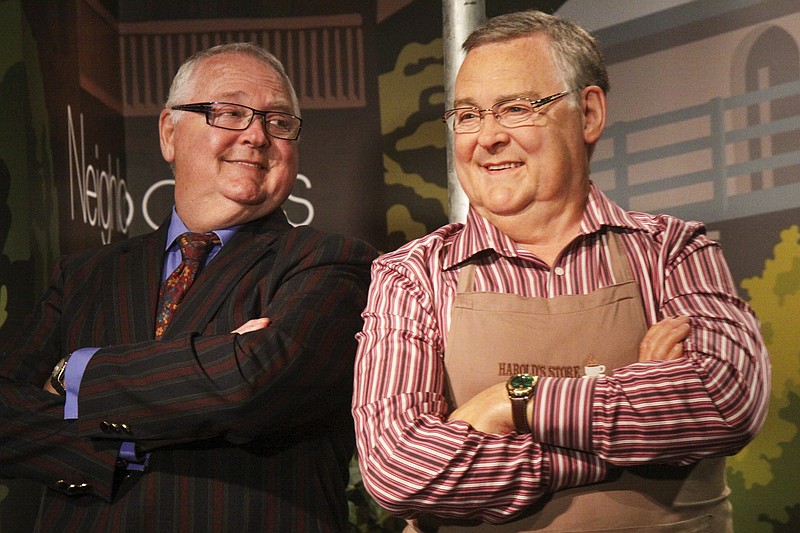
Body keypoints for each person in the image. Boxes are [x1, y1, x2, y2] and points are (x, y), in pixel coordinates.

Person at [352, 10, 770, 532]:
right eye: (468, 114)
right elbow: (399, 470)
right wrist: (628, 442)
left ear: (589, 113)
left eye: (516, 108)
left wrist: (513, 403)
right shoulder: (412, 276)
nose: (487, 137)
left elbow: (725, 398)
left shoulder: (671, 251)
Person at [0, 42, 377, 531]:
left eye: (278, 121)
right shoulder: (83, 275)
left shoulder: (332, 261)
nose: (258, 135)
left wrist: (77, 371)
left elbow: (252, 384)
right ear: (168, 133)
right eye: (230, 113)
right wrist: (112, 450)